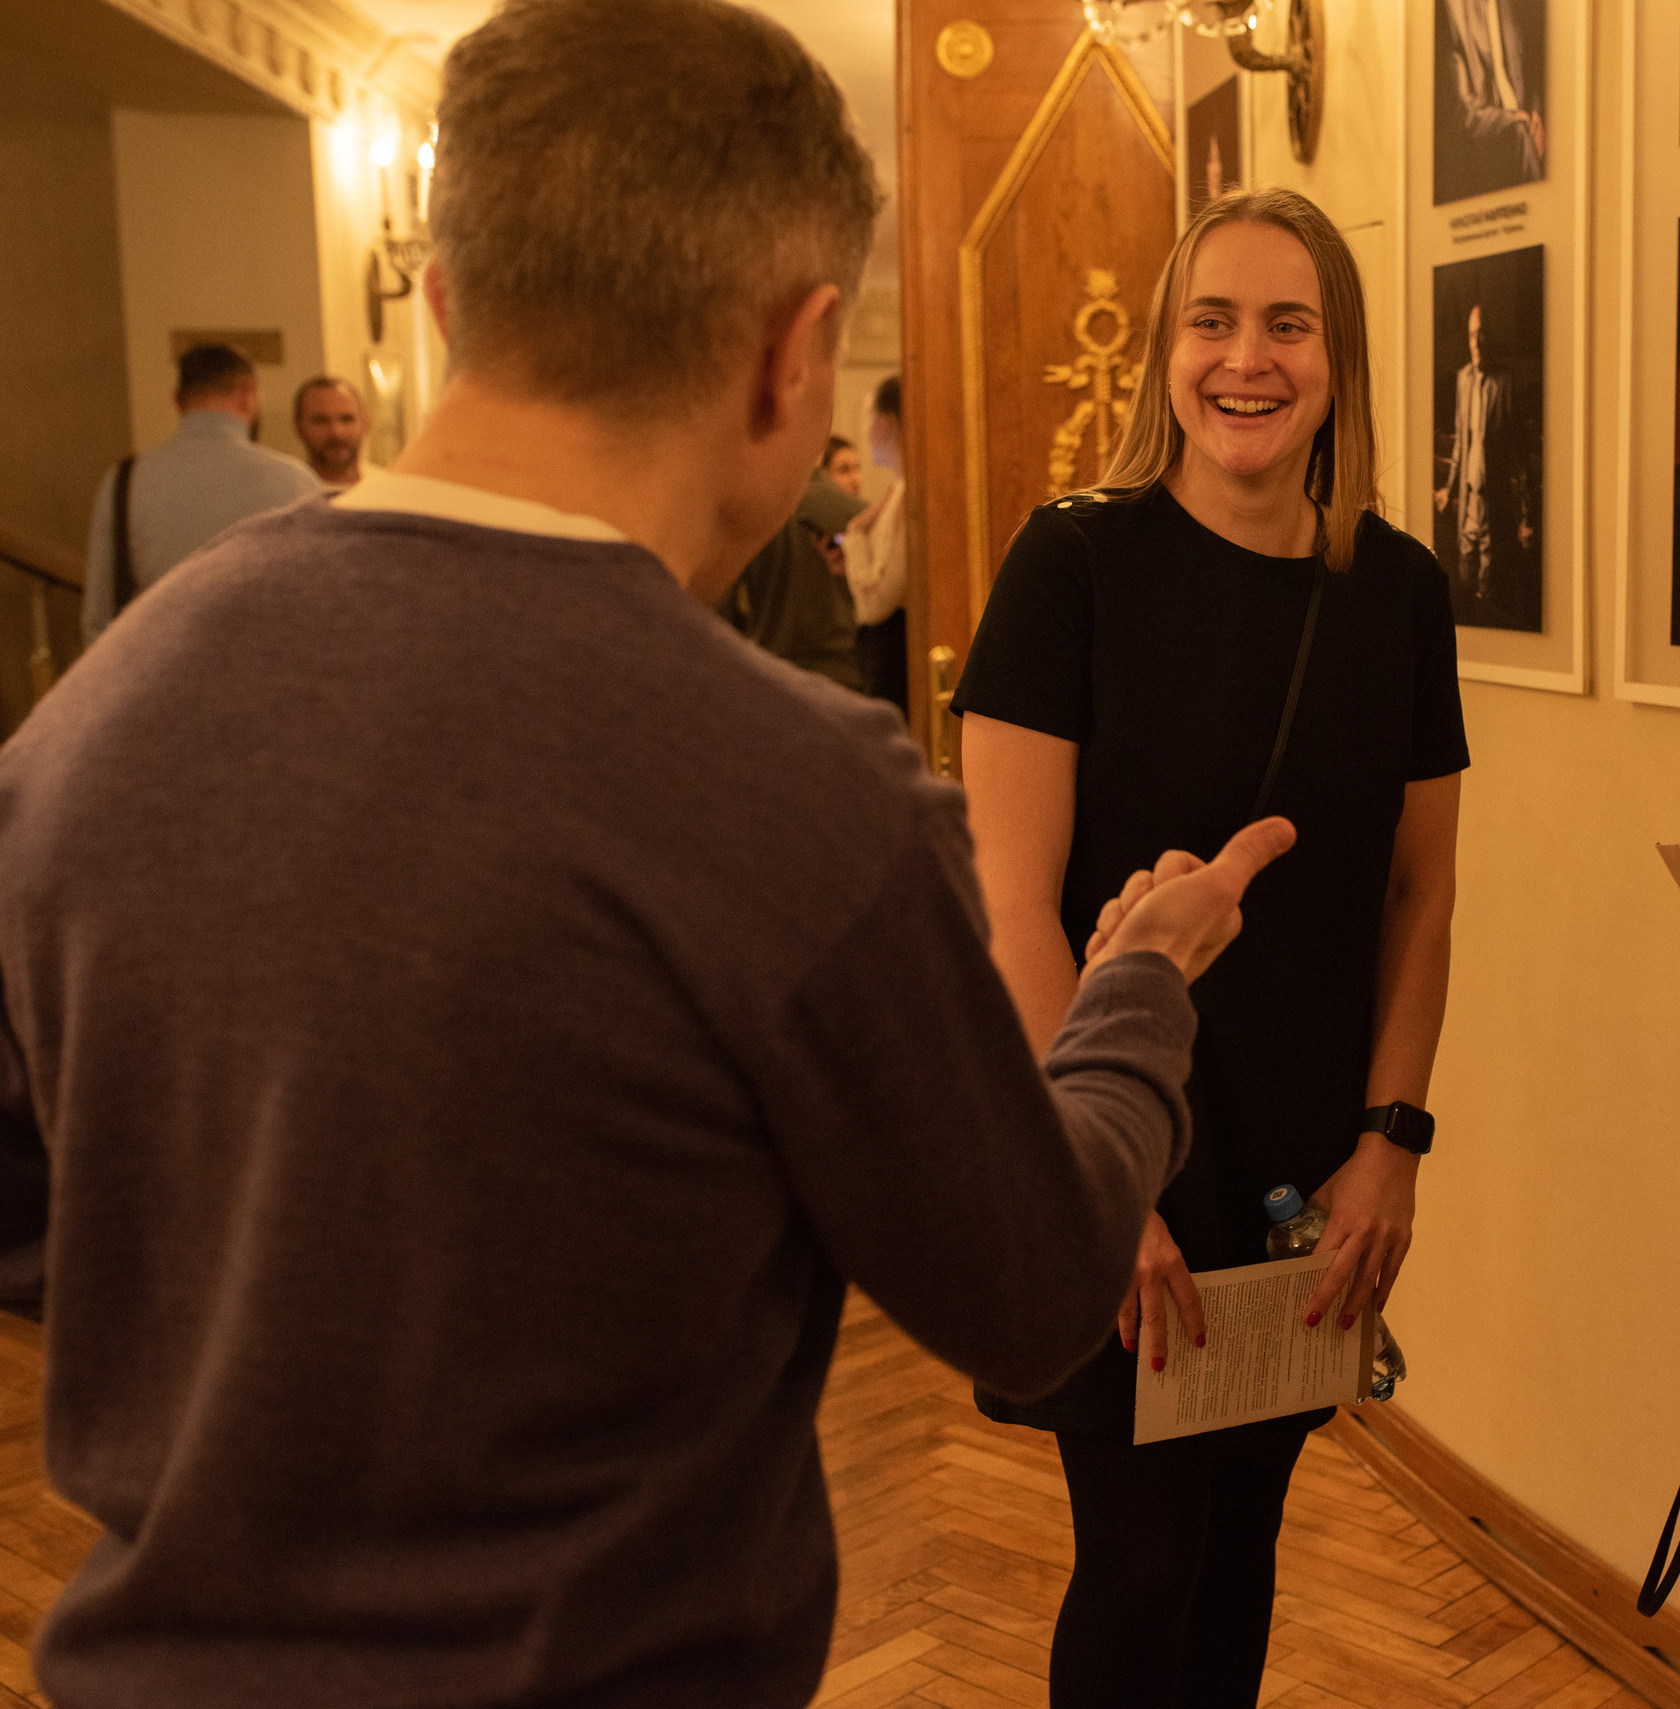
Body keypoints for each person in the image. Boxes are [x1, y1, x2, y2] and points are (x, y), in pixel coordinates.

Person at [0, 3, 1296, 1704]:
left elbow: (36, 1212)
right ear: (797, 350)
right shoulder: (794, 788)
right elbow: (1032, 1284)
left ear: (451, 301)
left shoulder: (88, 721)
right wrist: (1138, 981)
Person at [954, 185, 1466, 1709]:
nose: (1247, 359)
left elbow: (1418, 896)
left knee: (1241, 1547)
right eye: (1213, 321)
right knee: (1137, 1562)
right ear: (1166, 354)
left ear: (1338, 359)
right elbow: (1010, 902)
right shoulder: (1072, 565)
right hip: (1107, 1135)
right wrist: (1096, 1179)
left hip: (1303, 1164)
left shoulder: (1399, 593)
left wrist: (1394, 1142)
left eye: (1288, 324)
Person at [81, 342, 321, 641]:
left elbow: (99, 616)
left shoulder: (124, 480)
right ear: (248, 395)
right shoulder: (296, 480)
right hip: (266, 667)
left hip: (160, 670)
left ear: (177, 401)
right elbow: (320, 600)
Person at [722, 464, 867, 694]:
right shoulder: (853, 511)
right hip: (844, 670)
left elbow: (721, 608)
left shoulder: (752, 511)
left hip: (775, 671)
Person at [1433, 301, 1532, 612]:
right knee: (1464, 572)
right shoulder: (1463, 379)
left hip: (1494, 497)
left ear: (1490, 337)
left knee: (1489, 580)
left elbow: (1520, 450)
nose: (1476, 341)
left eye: (1482, 334)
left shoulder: (1505, 381)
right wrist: (1449, 489)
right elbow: (1462, 442)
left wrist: (1528, 511)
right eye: (1472, 335)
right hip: (1468, 497)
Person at [1437, 0, 1543, 201]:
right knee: (1520, 135)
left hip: (1522, 125)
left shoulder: (1514, 6)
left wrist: (1538, 113)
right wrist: (1512, 120)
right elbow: (1462, 112)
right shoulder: (1451, 9)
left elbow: (1534, 69)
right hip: (1483, 143)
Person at [844, 374, 907, 711]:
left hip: (893, 660)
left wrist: (854, 537)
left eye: (869, 419)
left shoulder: (907, 492)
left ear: (885, 424)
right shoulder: (897, 491)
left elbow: (877, 604)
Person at [291, 374, 375, 490]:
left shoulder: (389, 490)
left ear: (365, 424)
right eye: (321, 421)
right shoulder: (287, 494)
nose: (337, 432)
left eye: (347, 419)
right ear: (298, 428)